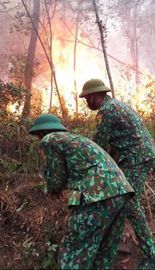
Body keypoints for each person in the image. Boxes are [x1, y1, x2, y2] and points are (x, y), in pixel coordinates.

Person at [29, 113, 135, 269]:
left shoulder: (50, 139)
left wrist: (52, 190)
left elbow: (56, 178)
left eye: (38, 136)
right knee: (103, 251)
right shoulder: (77, 140)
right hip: (122, 191)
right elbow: (78, 173)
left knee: (74, 251)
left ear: (41, 133)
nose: (39, 139)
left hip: (98, 193)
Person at [80, 79, 155, 269]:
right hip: (140, 156)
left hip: (136, 159)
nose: (86, 103)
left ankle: (154, 258)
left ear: (95, 96)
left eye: (87, 98)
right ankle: (113, 249)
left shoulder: (107, 111)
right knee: (125, 203)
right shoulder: (117, 105)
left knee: (130, 203)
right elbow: (114, 143)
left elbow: (99, 146)